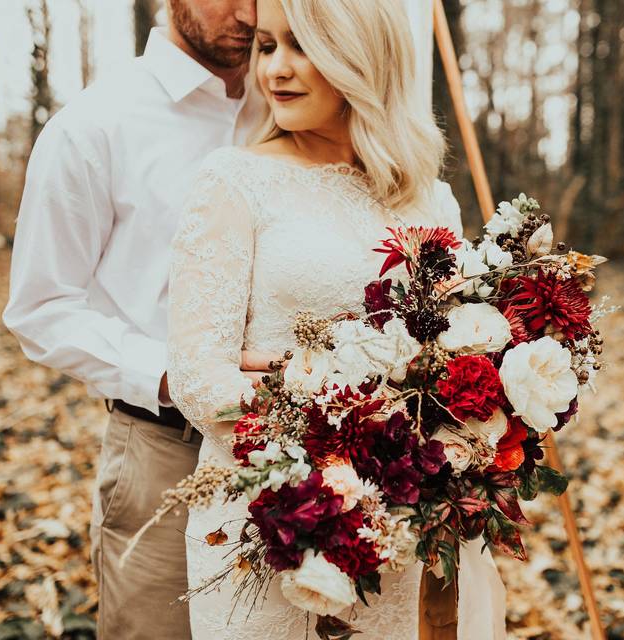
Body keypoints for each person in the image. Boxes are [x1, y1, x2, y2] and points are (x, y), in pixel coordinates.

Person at [166, 0, 507, 638]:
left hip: (399, 522)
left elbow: (458, 362)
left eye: (303, 46)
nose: (276, 70)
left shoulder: (430, 197)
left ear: (361, 56)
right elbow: (198, 379)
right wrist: (336, 412)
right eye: (267, 46)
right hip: (269, 520)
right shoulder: (234, 182)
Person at [2, 2, 270, 637]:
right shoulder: (95, 128)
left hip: (308, 449)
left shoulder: (293, 101)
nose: (250, 13)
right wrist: (174, 375)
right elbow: (41, 308)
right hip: (165, 451)